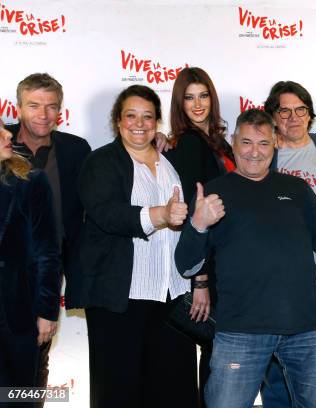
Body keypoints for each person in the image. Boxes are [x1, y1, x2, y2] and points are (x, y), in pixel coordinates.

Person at [175, 108, 316, 408]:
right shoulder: (214, 193)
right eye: (246, 143)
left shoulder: (296, 189)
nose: (254, 152)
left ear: (275, 144)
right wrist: (197, 225)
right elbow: (186, 264)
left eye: (264, 143)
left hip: (305, 328)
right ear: (233, 142)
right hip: (240, 332)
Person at [73, 85, 198, 408]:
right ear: (117, 120)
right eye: (131, 116)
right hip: (120, 298)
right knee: (119, 391)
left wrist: (199, 281)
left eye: (147, 116)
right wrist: (161, 215)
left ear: (158, 122)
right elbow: (107, 214)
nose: (139, 124)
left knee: (174, 389)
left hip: (171, 294)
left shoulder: (171, 160)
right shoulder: (100, 162)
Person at [5, 73, 91, 400]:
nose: (43, 114)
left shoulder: (75, 150)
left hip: (47, 271)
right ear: (18, 107)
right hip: (6, 271)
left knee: (36, 356)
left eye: (51, 106)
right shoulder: (2, 143)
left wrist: (160, 141)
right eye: (34, 105)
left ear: (60, 109)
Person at [262, 80, 316, 407]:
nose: (293, 118)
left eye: (300, 110)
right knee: (276, 371)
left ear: (309, 114)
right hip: (281, 284)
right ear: (273, 116)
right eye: (285, 111)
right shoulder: (264, 153)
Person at [165, 67, 235, 406]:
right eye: (189, 97)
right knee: (216, 357)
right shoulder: (190, 144)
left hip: (229, 264)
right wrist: (201, 280)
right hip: (212, 269)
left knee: (221, 356)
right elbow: (196, 218)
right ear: (180, 103)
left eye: (203, 95)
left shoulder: (218, 141)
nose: (197, 104)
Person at [0, 119, 61, 407]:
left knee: (17, 398)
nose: (6, 134)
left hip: (17, 313)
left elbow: (47, 252)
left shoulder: (31, 181)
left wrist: (47, 312)